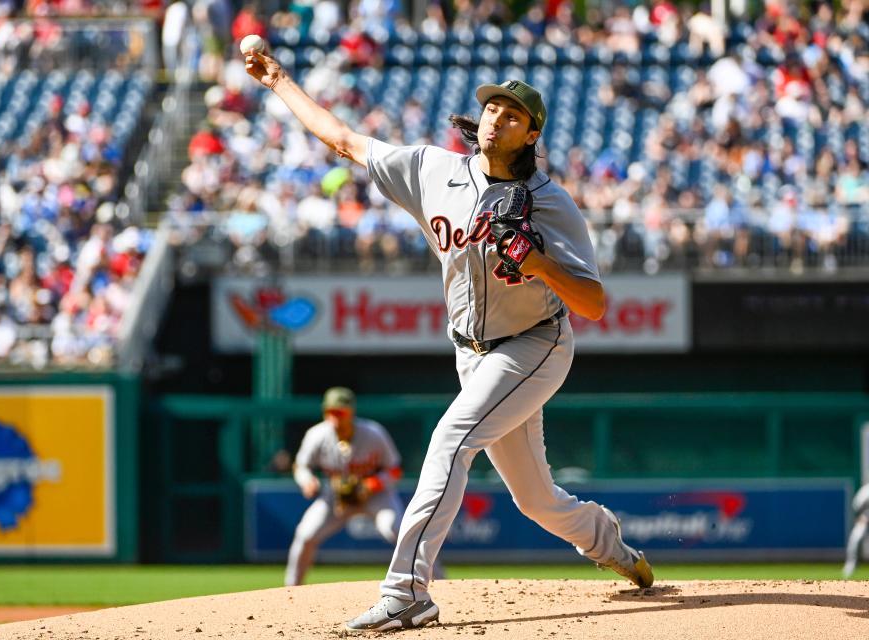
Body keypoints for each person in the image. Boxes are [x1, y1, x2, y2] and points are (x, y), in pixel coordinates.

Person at [244, 48, 653, 633]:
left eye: (513, 114)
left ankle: (408, 591)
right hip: (470, 350)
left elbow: (593, 303)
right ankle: (610, 545)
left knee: (451, 438)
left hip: (535, 344)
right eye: (491, 107)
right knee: (535, 499)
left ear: (532, 132)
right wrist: (279, 80)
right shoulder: (433, 171)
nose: (496, 118)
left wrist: (540, 264)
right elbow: (344, 140)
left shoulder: (551, 203)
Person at [285, 387, 404, 587]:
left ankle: (440, 582)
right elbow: (300, 466)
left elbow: (395, 470)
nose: (336, 417)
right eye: (331, 412)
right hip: (335, 497)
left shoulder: (373, 433)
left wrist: (373, 483)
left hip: (375, 495)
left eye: (341, 412)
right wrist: (306, 481)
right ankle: (290, 591)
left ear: (351, 413)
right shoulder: (317, 435)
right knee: (305, 535)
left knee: (398, 531)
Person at [843, 482, 869, 578]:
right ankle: (851, 565)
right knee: (856, 538)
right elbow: (856, 506)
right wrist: (860, 517)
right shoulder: (866, 489)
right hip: (866, 518)